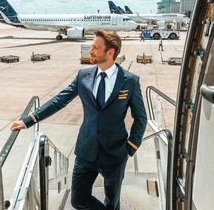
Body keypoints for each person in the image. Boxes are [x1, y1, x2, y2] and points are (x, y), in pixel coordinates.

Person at [10, 30, 147, 210]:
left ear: (111, 52)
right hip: (86, 151)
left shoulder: (130, 81)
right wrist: (29, 120)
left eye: (95, 48)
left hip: (115, 153)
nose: (91, 51)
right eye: (91, 46)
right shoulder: (84, 76)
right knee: (78, 200)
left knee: (112, 202)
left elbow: (141, 117)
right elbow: (60, 100)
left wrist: (130, 148)